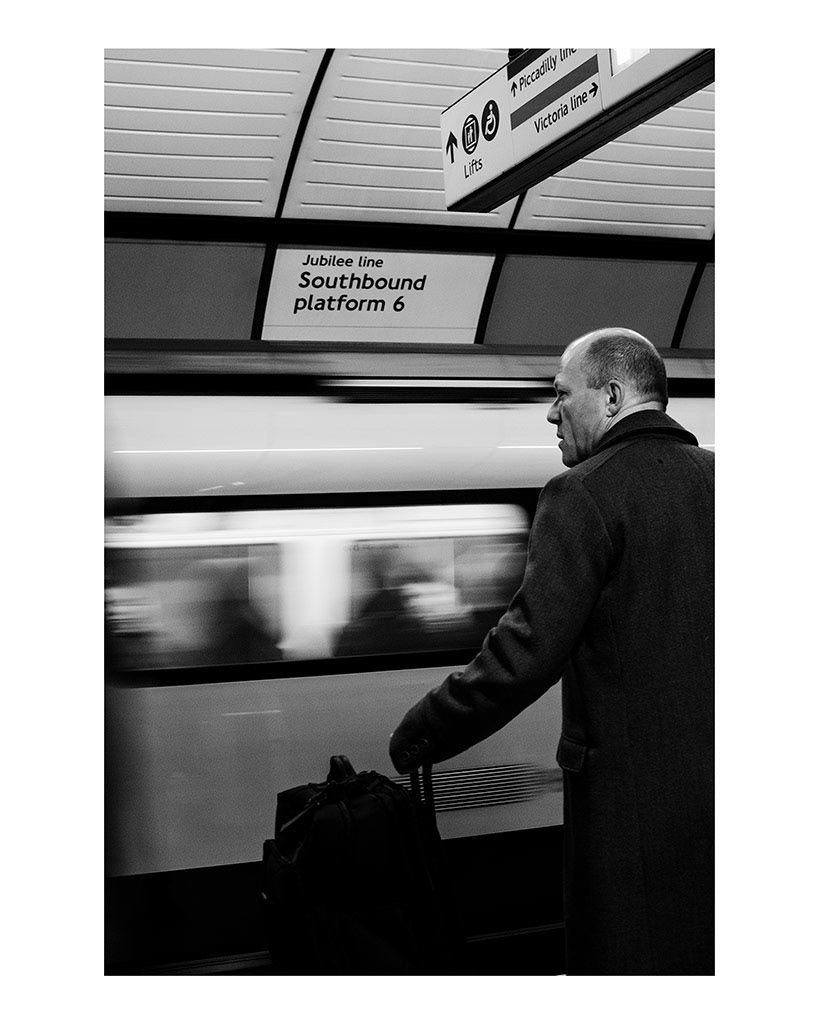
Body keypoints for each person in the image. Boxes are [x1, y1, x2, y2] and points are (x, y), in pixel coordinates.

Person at [389, 328, 714, 975]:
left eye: (561, 393)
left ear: (613, 395)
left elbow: (525, 650)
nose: (549, 411)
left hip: (632, 814)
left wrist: (420, 733)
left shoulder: (583, 493)